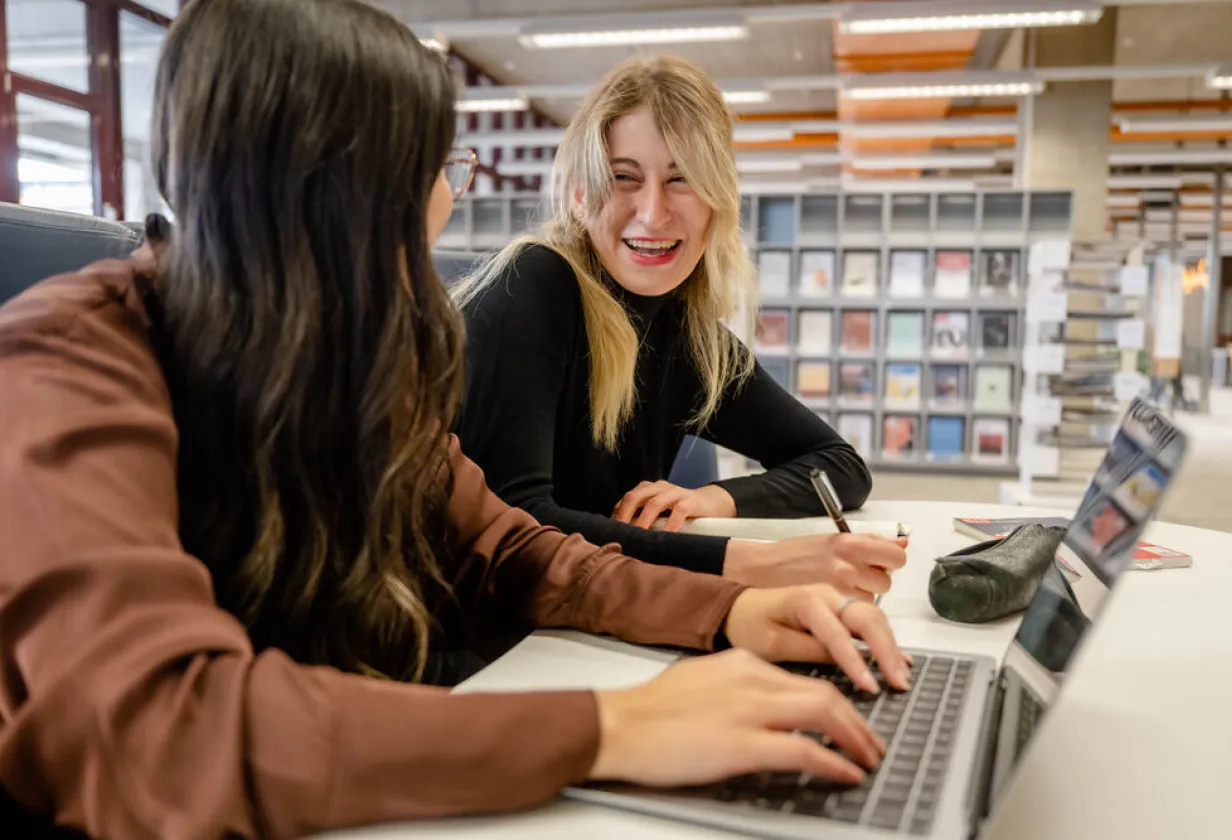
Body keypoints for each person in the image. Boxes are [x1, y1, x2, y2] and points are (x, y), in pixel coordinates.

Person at [0, 1, 912, 837]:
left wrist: (735, 612)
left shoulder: (349, 351)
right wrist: (605, 728)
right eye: (432, 169)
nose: (448, 199)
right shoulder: (66, 360)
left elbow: (513, 549)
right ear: (332, 191)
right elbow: (159, 730)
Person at [455, 56, 903, 595]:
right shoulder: (534, 282)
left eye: (682, 179)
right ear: (579, 195)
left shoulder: (687, 334)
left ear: (717, 202)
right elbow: (520, 527)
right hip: (482, 643)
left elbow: (839, 465)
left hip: (592, 615)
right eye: (623, 178)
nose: (653, 212)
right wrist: (756, 563)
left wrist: (713, 499)